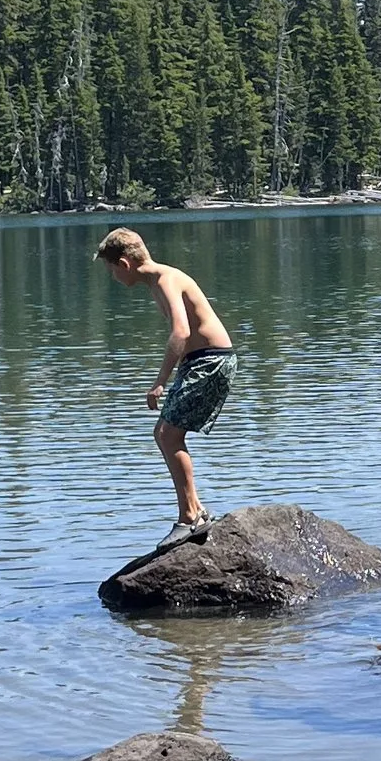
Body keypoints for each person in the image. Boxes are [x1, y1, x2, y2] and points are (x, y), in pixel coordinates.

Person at [98, 228, 236, 543]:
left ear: (124, 263)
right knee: (164, 433)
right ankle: (196, 510)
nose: (112, 277)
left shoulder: (166, 279)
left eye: (111, 270)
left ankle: (190, 516)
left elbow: (181, 332)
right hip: (199, 361)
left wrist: (160, 382)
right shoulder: (157, 282)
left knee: (169, 434)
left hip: (210, 360)